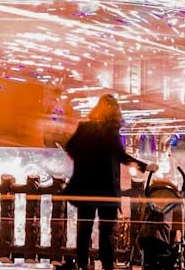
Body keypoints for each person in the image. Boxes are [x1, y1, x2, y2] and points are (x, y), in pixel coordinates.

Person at [64, 95, 154, 270]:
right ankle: (107, 265)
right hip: (107, 190)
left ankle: (82, 264)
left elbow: (70, 147)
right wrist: (146, 166)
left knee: (84, 229)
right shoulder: (110, 132)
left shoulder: (85, 128)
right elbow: (122, 156)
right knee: (106, 232)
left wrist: (84, 163)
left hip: (87, 187)